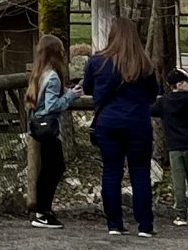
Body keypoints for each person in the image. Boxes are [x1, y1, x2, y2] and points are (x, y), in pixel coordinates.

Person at [85, 17, 159, 237]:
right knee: (140, 173)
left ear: (112, 34)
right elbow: (152, 94)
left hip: (108, 122)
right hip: (138, 123)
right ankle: (145, 225)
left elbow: (88, 88)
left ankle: (114, 223)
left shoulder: (97, 62)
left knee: (111, 172)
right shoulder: (144, 64)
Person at [23, 34, 74, 227]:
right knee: (55, 168)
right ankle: (42, 212)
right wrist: (70, 96)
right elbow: (52, 106)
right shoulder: (53, 76)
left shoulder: (40, 73)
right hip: (49, 128)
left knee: (48, 168)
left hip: (37, 126)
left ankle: (42, 210)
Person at [155, 66, 188, 226]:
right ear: (179, 85)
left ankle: (181, 214)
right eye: (187, 82)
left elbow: (152, 110)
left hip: (174, 146)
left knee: (178, 181)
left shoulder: (163, 102)